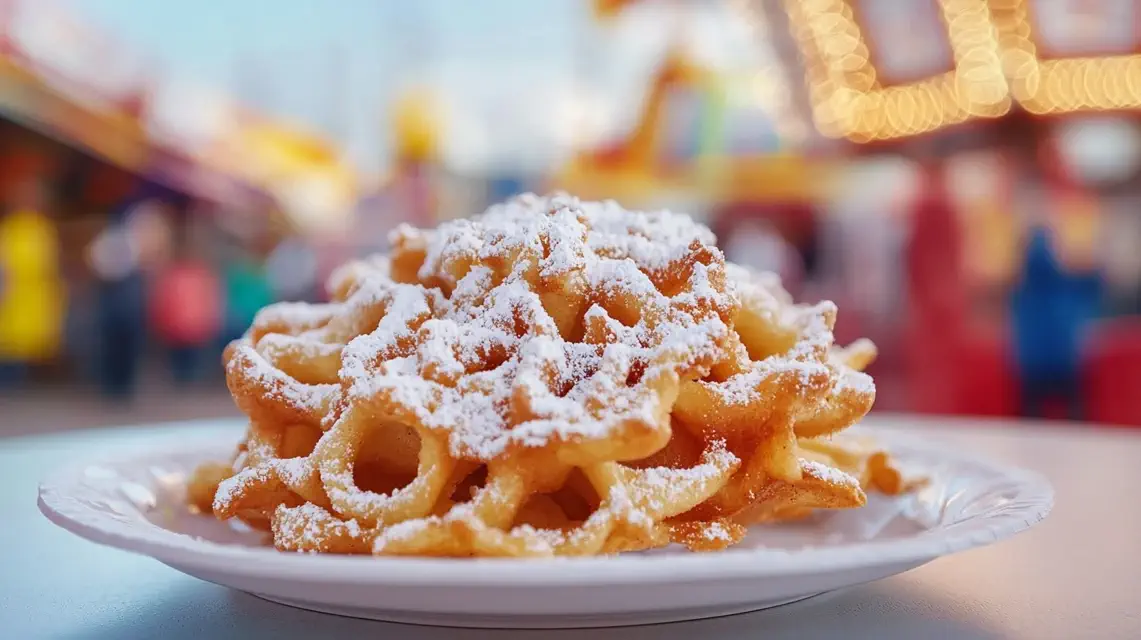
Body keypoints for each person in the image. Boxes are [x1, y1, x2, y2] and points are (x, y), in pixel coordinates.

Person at [0, 186, 65, 387]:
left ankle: (16, 381)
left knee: (22, 341)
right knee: (9, 340)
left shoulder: (42, 229)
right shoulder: (11, 228)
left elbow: (50, 264)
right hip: (12, 294)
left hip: (31, 295)